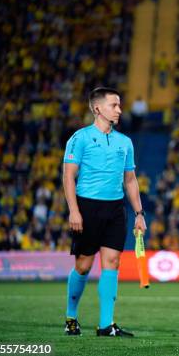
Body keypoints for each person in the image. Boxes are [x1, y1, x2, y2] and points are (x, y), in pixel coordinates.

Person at [62, 87, 147, 337]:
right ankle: (71, 316)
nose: (119, 110)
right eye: (114, 105)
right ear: (98, 108)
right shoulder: (80, 138)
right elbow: (68, 176)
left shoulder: (125, 142)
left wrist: (139, 213)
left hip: (115, 209)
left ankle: (106, 324)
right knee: (83, 266)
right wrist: (74, 211)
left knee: (112, 262)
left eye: (120, 105)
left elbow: (130, 180)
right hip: (86, 208)